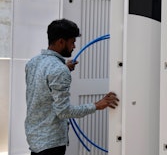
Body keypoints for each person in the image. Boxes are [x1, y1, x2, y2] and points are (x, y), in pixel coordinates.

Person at [25, 18, 119, 155]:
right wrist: (97, 105)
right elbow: (64, 112)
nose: (74, 47)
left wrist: (63, 68)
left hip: (34, 138)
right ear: (61, 42)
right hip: (51, 144)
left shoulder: (33, 63)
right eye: (72, 42)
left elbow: (44, 85)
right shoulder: (58, 70)